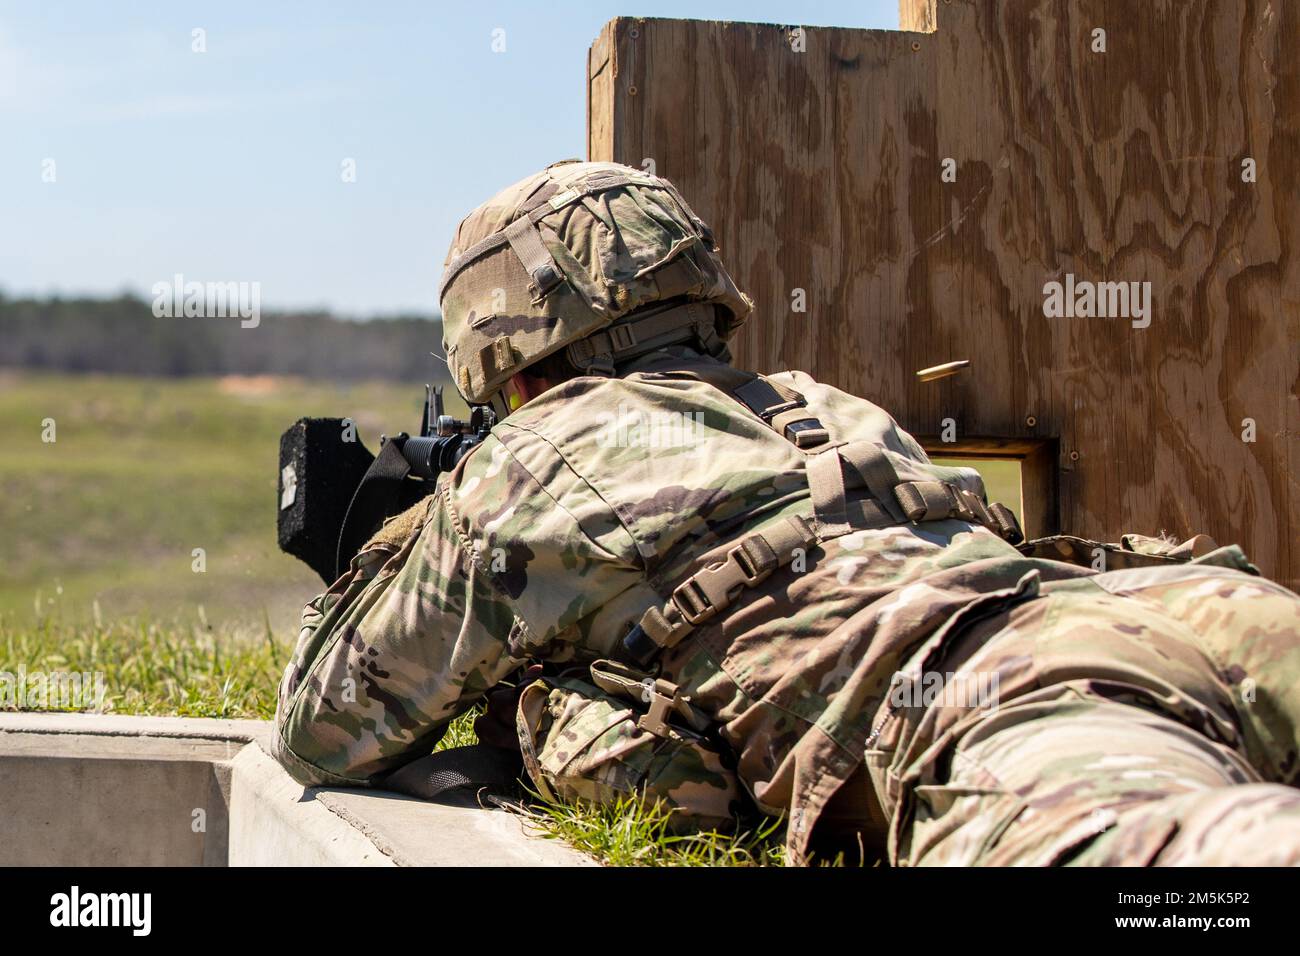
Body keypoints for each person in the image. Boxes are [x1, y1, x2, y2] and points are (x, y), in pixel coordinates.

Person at [273, 160, 1300, 865]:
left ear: (503, 350)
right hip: (1177, 611)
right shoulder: (814, 403)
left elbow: (322, 729)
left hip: (989, 697)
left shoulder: (533, 461)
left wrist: (404, 538)